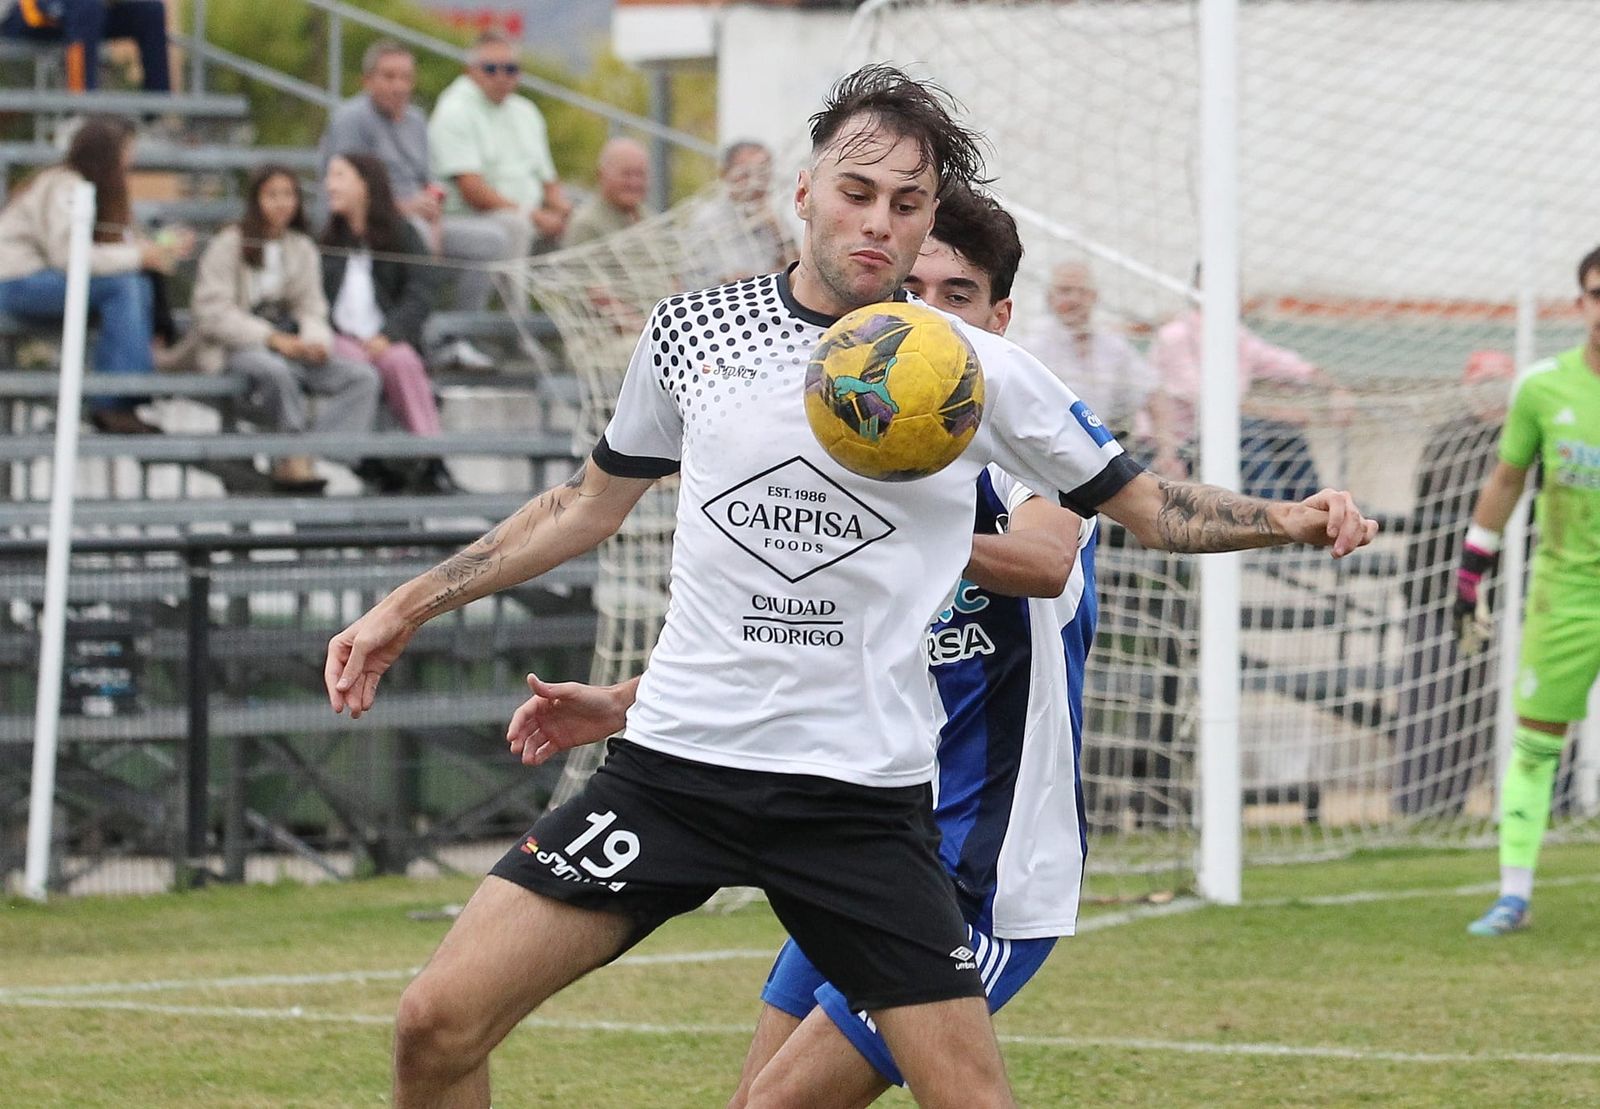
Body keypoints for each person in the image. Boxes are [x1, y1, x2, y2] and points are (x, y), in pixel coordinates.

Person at [324, 65, 1376, 1108]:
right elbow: (579, 507)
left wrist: (1287, 515)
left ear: (927, 224)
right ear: (804, 191)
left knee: (968, 1095)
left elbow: (1146, 506)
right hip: (673, 773)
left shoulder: (973, 373)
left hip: (856, 801)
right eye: (856, 192)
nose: (878, 221)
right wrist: (401, 605)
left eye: (906, 204)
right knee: (434, 1020)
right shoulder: (694, 332)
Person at [505, 183, 1100, 1107]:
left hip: (986, 865)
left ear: (1000, 320)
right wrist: (624, 701)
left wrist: (891, 525)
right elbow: (806, 642)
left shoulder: (1014, 446)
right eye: (918, 293)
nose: (931, 320)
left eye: (961, 297)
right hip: (860, 829)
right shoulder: (870, 459)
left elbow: (1048, 557)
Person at [1457, 247, 1600, 936]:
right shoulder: (1543, 388)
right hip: (1564, 594)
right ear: (1581, 303)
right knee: (1537, 741)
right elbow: (1507, 479)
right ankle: (1513, 894)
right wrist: (1471, 566)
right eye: (1598, 294)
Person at [190, 164, 380, 493]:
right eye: (272, 195)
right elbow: (212, 312)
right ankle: (292, 454)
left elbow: (312, 307)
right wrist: (271, 338)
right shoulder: (229, 244)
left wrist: (315, 341)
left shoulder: (301, 247)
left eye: (288, 195)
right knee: (275, 370)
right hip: (240, 346)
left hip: (291, 343)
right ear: (256, 199)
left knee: (363, 378)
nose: (281, 203)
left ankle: (305, 452)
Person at [318, 38, 506, 355]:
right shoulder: (350, 120)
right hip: (375, 227)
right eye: (389, 76)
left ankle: (458, 337)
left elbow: (428, 181)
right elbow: (343, 187)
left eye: (406, 77)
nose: (399, 86)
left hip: (421, 221)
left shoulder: (417, 120)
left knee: (493, 239)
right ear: (367, 81)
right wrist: (404, 209)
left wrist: (434, 211)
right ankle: (419, 335)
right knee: (414, 235)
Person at [0, 114, 182, 434]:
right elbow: (68, 256)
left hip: (42, 280)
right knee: (125, 284)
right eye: (127, 151)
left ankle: (126, 391)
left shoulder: (89, 188)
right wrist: (141, 255)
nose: (132, 160)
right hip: (16, 282)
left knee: (134, 281)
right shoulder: (65, 185)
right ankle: (117, 398)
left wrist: (152, 251)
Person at [1392, 350, 1515, 817]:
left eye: (1499, 379)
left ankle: (1454, 803)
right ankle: (1416, 806)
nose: (1491, 388)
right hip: (1436, 595)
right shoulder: (1450, 439)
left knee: (1474, 708)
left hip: (1493, 596)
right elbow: (1467, 502)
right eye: (1483, 379)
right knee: (1430, 702)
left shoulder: (1518, 438)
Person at [320, 153, 456, 495]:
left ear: (365, 185)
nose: (330, 185)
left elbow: (421, 290)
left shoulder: (402, 234)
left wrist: (390, 334)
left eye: (340, 176)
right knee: (357, 367)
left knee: (403, 360)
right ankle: (362, 459)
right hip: (338, 336)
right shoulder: (324, 239)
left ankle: (430, 456)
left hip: (383, 336)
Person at [1147, 283, 1329, 499]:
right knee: (1245, 429)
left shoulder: (1236, 335)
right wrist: (1273, 412)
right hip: (1180, 443)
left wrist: (1330, 385)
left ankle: (1310, 508)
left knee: (1284, 431)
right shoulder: (1174, 336)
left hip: (1228, 433)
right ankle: (1271, 512)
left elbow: (1279, 362)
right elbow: (1208, 401)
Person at [427, 30, 572, 280]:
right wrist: (532, 214)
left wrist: (562, 211)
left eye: (511, 69)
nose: (502, 76)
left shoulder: (526, 112)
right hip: (472, 216)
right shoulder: (455, 110)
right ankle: (514, 316)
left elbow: (549, 181)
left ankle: (577, 313)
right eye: (491, 68)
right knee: (516, 226)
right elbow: (473, 191)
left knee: (581, 223)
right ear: (470, 71)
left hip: (527, 211)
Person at [1015, 260, 1157, 442]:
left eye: (1082, 291)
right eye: (1065, 291)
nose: (1074, 299)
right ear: (1050, 298)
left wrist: (1166, 453)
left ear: (1095, 297)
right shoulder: (1032, 343)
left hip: (1103, 446)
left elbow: (1152, 390)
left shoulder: (1112, 342)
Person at [684, 140, 797, 286]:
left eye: (762, 173)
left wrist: (778, 230)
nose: (755, 183)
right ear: (724, 174)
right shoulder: (707, 221)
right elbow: (733, 281)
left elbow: (798, 269)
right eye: (745, 174)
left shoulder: (772, 221)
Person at [1, 0, 171, 92]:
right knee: (86, 6)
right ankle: (82, 113)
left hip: (85, 13)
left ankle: (156, 115)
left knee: (151, 11)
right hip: (20, 13)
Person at [563, 137, 652, 247]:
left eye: (640, 174)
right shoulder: (587, 225)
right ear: (601, 175)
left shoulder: (649, 217)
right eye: (626, 174)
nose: (634, 182)